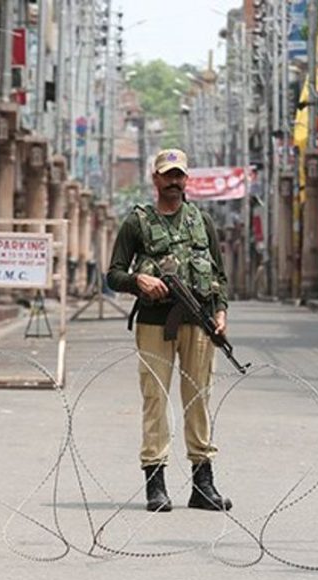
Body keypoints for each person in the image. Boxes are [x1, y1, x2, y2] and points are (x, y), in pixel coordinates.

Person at [106, 149, 232, 513]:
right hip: (153, 322)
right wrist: (138, 280)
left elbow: (219, 276)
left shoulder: (201, 220)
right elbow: (113, 274)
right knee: (156, 399)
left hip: (200, 322)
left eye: (179, 176)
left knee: (199, 401)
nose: (174, 182)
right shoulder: (137, 222)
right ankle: (155, 483)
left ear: (186, 179)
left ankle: (203, 484)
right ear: (155, 179)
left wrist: (221, 312)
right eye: (167, 175)